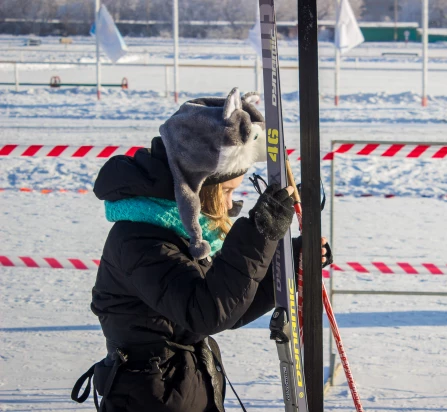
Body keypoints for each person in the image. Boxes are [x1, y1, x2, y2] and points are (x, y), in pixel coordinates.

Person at [71, 89, 331, 412]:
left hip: (181, 387)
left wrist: (288, 263)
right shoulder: (139, 241)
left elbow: (230, 302)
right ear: (198, 187)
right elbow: (207, 309)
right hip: (148, 399)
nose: (228, 204)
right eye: (225, 192)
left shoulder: (185, 231)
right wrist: (259, 234)